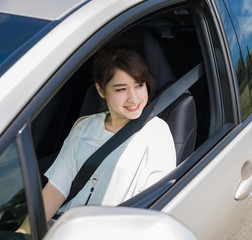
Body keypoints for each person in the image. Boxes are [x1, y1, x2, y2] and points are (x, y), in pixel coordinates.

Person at [19, 45, 176, 232]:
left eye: (139, 85)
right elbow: (55, 189)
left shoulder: (157, 133)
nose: (134, 98)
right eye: (121, 89)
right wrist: (24, 233)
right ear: (101, 90)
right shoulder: (84, 126)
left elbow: (153, 206)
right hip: (62, 228)